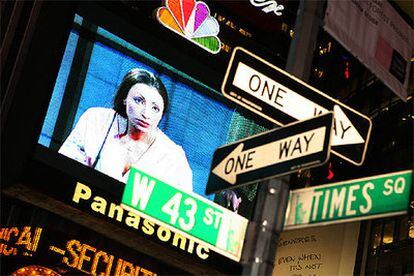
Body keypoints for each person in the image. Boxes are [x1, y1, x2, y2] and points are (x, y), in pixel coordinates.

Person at [59, 68, 193, 192]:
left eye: (155, 108)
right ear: (125, 99)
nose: (146, 114)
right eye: (139, 101)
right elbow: (63, 169)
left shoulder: (174, 157)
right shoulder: (96, 119)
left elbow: (179, 211)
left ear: (161, 114)